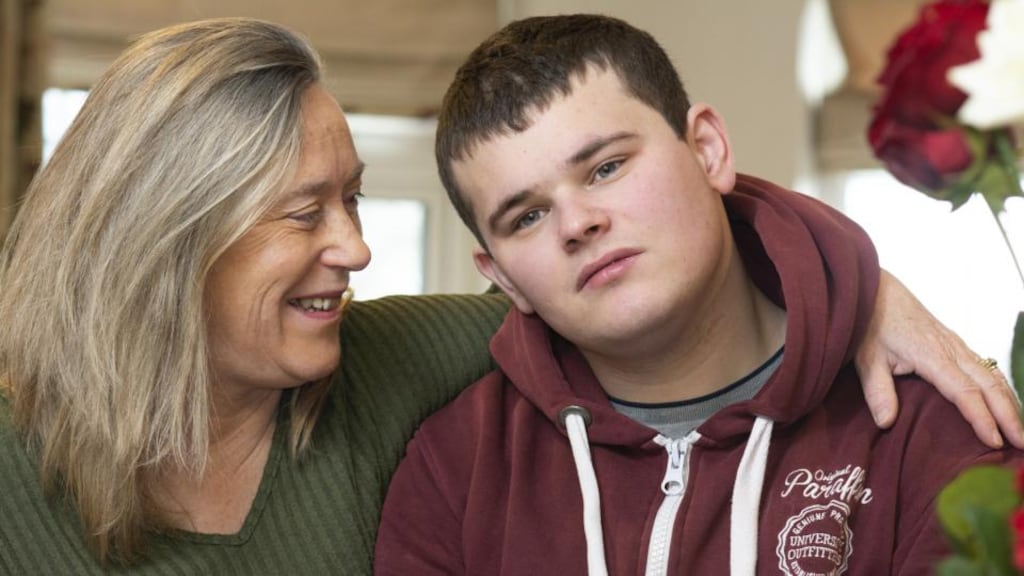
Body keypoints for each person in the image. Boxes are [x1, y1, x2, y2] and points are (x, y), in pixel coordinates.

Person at [0, 16, 1014, 576]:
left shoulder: (388, 362)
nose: (354, 251)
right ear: (169, 242)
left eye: (351, 199)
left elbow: (651, 296)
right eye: (304, 213)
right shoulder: (451, 441)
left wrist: (856, 290)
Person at [374, 13, 1024, 575]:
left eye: (606, 167)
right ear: (503, 276)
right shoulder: (455, 470)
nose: (578, 225)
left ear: (708, 150)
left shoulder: (931, 431)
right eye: (527, 216)